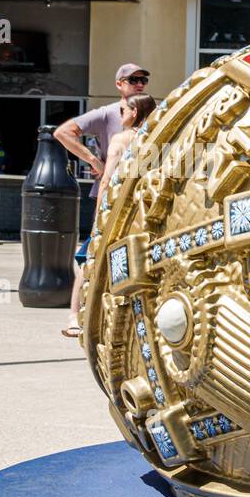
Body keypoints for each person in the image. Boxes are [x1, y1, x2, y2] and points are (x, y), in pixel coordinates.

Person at [64, 94, 157, 337]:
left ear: (134, 112)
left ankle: (75, 317)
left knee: (88, 259)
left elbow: (107, 179)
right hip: (143, 212)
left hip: (116, 211)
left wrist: (98, 215)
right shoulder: (158, 140)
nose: (120, 114)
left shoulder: (121, 139)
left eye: (124, 110)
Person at [55, 62, 150, 199]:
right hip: (112, 192)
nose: (140, 84)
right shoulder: (106, 113)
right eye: (133, 80)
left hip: (143, 192)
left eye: (144, 80)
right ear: (119, 84)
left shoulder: (154, 112)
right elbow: (63, 133)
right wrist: (94, 161)